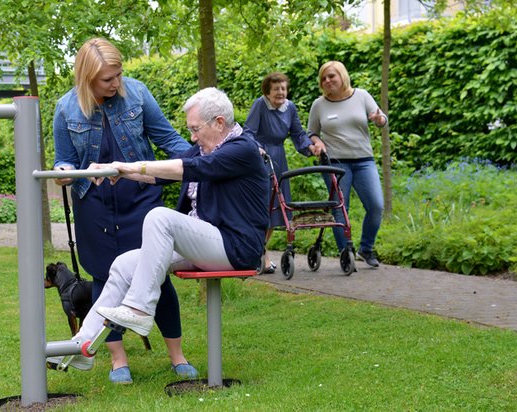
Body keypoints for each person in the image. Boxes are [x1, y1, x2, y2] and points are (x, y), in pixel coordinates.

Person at [52, 87, 269, 380]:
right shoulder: (207, 148)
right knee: (123, 265)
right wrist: (116, 171)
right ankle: (84, 345)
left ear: (219, 122)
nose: (191, 136)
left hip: (235, 247)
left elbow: (185, 167)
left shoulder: (241, 149)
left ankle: (140, 309)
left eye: (195, 129)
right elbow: (159, 173)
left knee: (160, 217)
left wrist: (127, 165)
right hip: (207, 245)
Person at [51, 38, 195, 384]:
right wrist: (62, 173)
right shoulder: (66, 108)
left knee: (156, 274)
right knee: (103, 278)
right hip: (94, 206)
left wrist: (205, 158)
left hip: (140, 199)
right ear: (87, 78)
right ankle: (118, 360)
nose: (115, 83)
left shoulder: (138, 94)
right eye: (106, 79)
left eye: (118, 74)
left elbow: (169, 139)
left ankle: (177, 355)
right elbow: (64, 160)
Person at [306, 60, 386, 267]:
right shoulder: (319, 104)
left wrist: (379, 120)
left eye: (331, 76)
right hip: (335, 163)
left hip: (364, 160)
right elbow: (311, 133)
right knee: (341, 208)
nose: (327, 80)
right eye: (323, 78)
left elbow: (381, 118)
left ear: (342, 76)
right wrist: (318, 141)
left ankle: (365, 249)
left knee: (376, 206)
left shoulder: (362, 96)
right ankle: (345, 253)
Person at [244, 71, 325, 273]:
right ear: (267, 92)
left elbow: (298, 134)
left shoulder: (290, 108)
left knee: (275, 208)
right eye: (276, 89)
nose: (281, 92)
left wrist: (310, 148)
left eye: (283, 88)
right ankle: (259, 254)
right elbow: (248, 132)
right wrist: (257, 147)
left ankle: (261, 251)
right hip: (261, 159)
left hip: (279, 160)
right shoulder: (260, 105)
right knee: (262, 207)